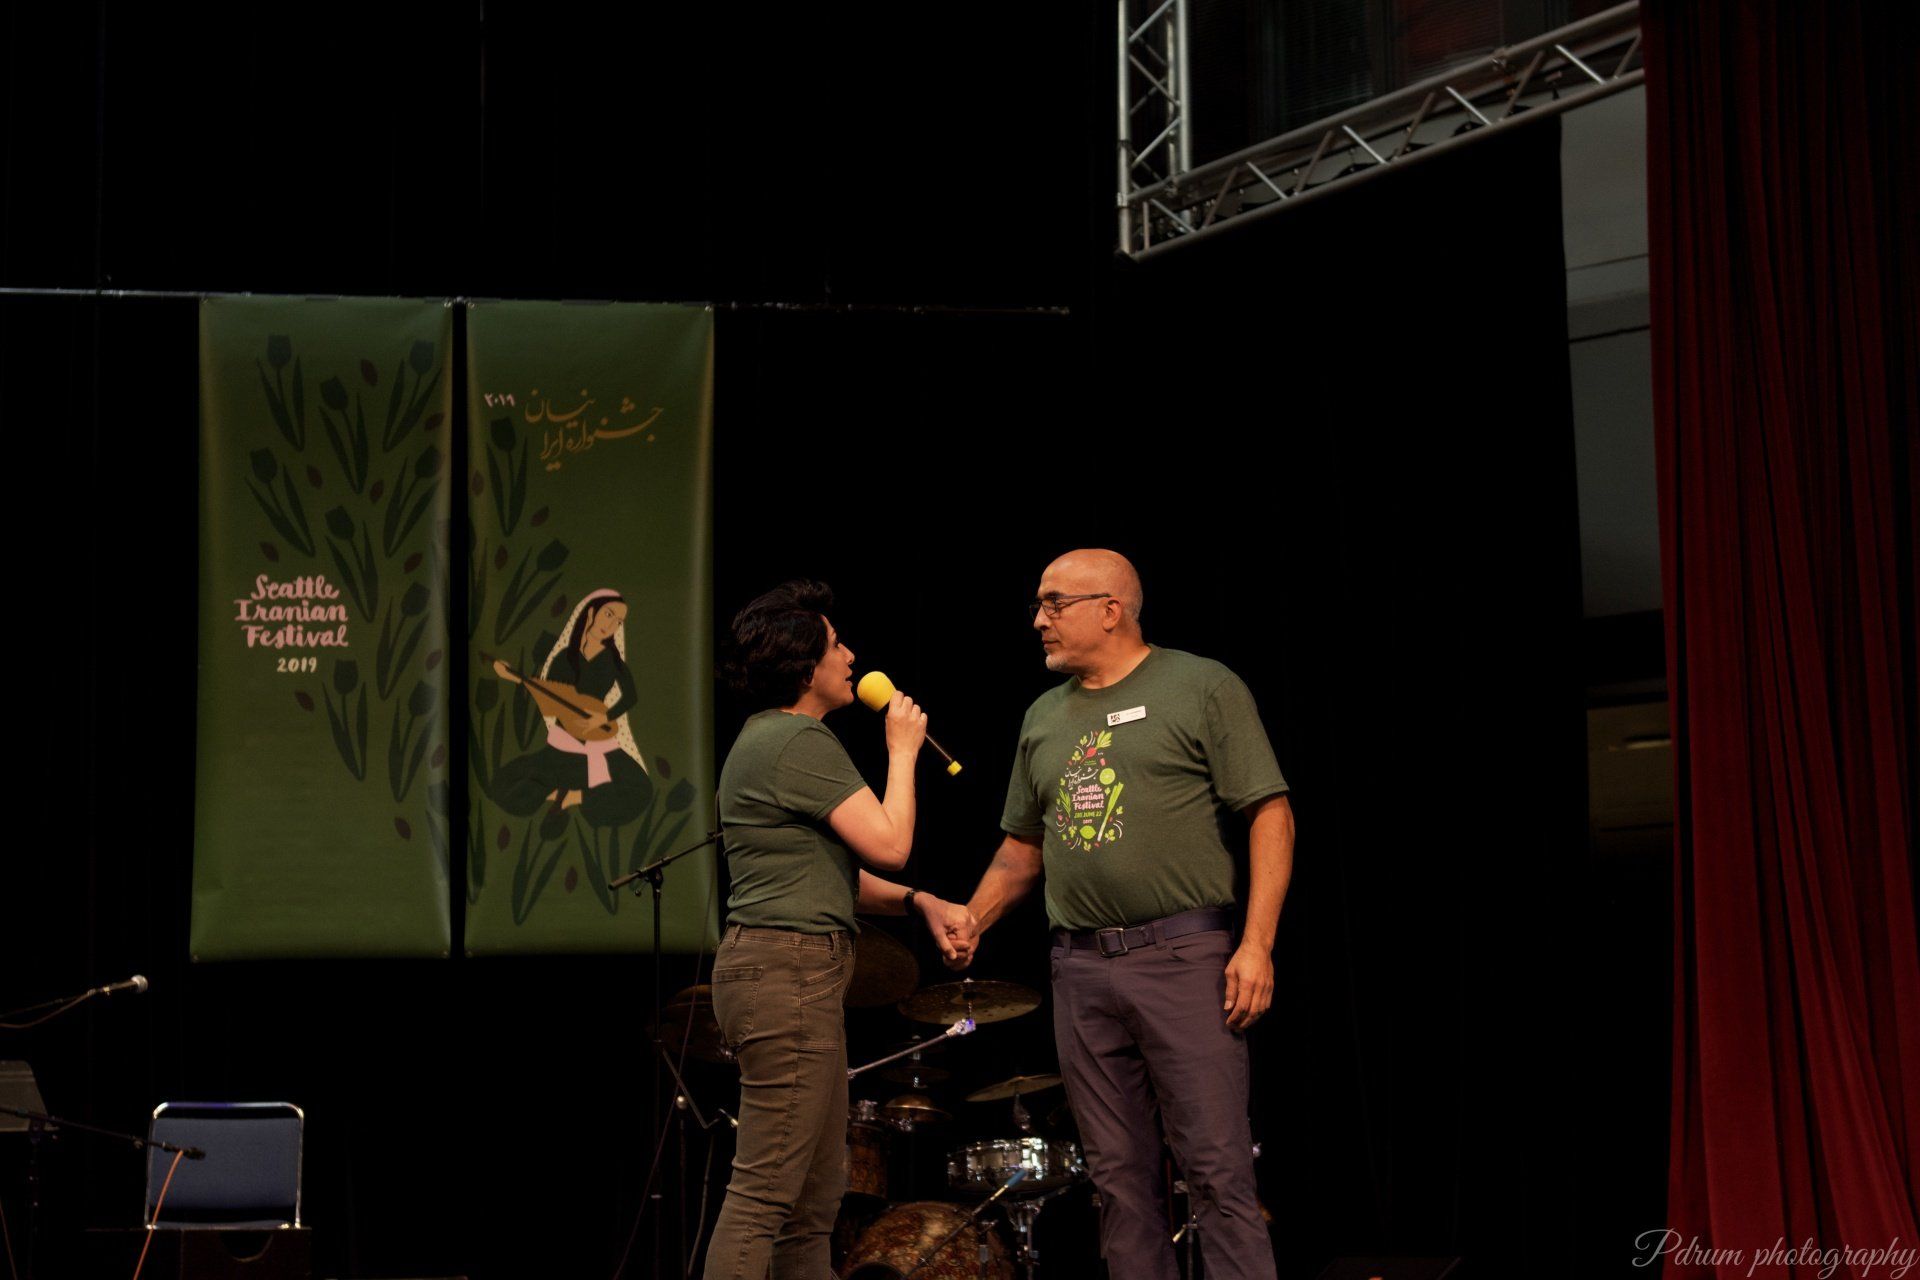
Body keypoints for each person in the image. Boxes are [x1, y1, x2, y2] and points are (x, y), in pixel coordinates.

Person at [950, 549, 1295, 1280]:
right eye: (1039, 604)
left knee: (1216, 1172)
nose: (1037, 619)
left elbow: (1270, 812)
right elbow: (1021, 850)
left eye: (1054, 603)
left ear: (1111, 608)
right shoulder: (1043, 717)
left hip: (1183, 958)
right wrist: (973, 919)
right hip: (1080, 969)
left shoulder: (1200, 685)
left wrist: (1257, 945)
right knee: (1117, 1185)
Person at [703, 580, 976, 1280]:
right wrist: (903, 749)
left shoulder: (774, 741)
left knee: (814, 1199)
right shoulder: (798, 739)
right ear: (804, 669)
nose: (851, 656)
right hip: (784, 972)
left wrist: (920, 901)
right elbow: (888, 843)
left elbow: (837, 875)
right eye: (836, 646)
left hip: (795, 973)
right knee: (765, 1195)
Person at [489, 588, 653, 826]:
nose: (612, 625)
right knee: (504, 785)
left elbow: (630, 697)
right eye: (609, 615)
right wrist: (516, 678)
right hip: (563, 746)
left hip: (598, 742)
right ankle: (557, 792)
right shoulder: (565, 657)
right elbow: (551, 694)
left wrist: (604, 716)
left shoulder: (612, 660)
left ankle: (576, 795)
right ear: (590, 613)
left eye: (619, 622)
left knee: (641, 790)